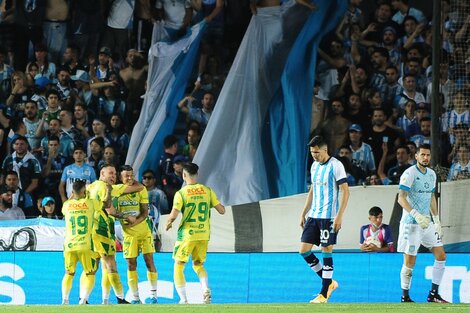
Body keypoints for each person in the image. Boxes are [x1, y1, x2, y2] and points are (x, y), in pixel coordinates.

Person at [299, 136, 349, 304]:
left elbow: (345, 192)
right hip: (313, 215)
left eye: (317, 152)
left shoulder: (336, 165)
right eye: (312, 153)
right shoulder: (314, 166)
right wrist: (303, 212)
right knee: (304, 250)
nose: (314, 155)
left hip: (328, 217)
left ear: (325, 150)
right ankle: (329, 282)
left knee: (326, 250)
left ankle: (324, 294)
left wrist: (339, 216)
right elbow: (312, 190)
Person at [165, 162, 225, 304]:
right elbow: (222, 210)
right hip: (203, 234)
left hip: (187, 235)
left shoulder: (181, 193)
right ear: (197, 175)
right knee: (198, 265)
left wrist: (168, 222)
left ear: (184, 175)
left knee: (178, 265)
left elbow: (174, 214)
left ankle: (183, 299)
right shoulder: (207, 190)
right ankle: (205, 289)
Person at [397, 144, 448, 303]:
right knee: (410, 261)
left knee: (441, 256)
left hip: (427, 223)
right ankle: (405, 296)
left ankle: (433, 294)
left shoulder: (432, 174)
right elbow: (401, 198)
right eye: (423, 155)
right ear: (416, 156)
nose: (426, 158)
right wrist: (416, 215)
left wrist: (437, 219)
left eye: (428, 155)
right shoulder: (410, 173)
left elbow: (431, 198)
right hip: (411, 223)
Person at [87, 163, 143, 305]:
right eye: (110, 173)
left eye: (115, 173)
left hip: (90, 232)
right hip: (102, 230)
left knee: (95, 266)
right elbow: (140, 187)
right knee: (110, 263)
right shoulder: (104, 188)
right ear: (102, 173)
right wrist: (126, 217)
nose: (113, 176)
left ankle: (89, 300)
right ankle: (120, 298)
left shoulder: (89, 187)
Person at [117, 165, 158, 304]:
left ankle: (154, 296)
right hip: (129, 235)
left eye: (131, 175)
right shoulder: (116, 191)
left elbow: (145, 213)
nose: (129, 178)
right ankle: (135, 298)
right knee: (131, 264)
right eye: (126, 176)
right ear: (120, 177)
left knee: (149, 261)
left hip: (144, 232)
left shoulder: (141, 189)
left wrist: (133, 222)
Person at [61, 180, 98, 305]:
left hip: (69, 245)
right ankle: (83, 299)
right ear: (84, 192)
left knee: (69, 273)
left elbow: (71, 199)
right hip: (85, 245)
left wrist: (74, 194)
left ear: (72, 191)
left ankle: (65, 300)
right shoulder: (90, 203)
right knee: (90, 272)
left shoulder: (66, 205)